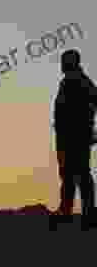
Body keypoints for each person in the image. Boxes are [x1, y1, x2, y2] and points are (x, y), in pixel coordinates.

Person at [52, 49, 97, 227]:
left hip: (75, 137)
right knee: (69, 176)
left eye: (64, 61)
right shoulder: (70, 81)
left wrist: (88, 131)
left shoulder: (80, 82)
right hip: (68, 137)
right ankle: (68, 212)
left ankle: (85, 215)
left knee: (80, 176)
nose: (61, 65)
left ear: (71, 62)